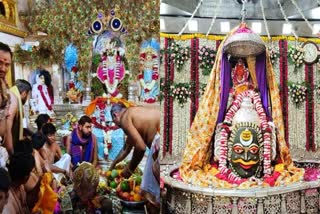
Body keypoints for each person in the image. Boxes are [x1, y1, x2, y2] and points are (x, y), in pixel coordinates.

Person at [109, 103, 160, 213]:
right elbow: (126, 149)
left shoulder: (125, 118)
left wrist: (130, 169)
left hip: (160, 142)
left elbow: (140, 147)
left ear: (115, 115)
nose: (119, 126)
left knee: (151, 193)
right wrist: (112, 165)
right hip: (165, 137)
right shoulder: (134, 113)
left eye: (115, 123)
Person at [5, 79, 32, 154]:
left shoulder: (10, 95)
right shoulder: (13, 100)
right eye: (28, 95)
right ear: (24, 93)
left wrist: (26, 131)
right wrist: (11, 151)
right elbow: (7, 128)